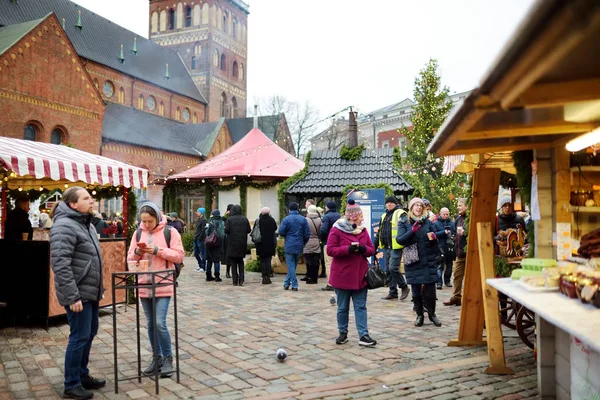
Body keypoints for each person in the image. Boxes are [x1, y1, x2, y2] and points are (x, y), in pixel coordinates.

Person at [50, 187, 105, 399]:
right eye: (86, 198)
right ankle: (71, 384)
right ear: (73, 204)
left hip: (90, 291)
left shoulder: (86, 223)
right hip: (78, 294)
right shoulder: (64, 226)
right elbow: (61, 265)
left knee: (89, 333)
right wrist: (72, 296)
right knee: (79, 336)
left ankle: (82, 375)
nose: (92, 201)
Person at [127, 202, 184, 379]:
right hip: (143, 282)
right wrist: (137, 251)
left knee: (160, 322)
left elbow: (179, 255)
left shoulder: (170, 232)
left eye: (150, 221)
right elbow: (130, 259)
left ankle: (168, 358)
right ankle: (156, 357)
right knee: (150, 323)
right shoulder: (137, 233)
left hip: (163, 282)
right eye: (143, 221)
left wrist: (158, 250)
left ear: (157, 217)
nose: (146, 225)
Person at [328, 199, 377, 346]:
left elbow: (371, 249)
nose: (360, 218)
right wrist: (347, 249)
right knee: (342, 307)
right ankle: (342, 333)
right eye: (358, 215)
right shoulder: (337, 229)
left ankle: (364, 335)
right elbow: (330, 249)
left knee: (361, 306)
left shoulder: (363, 231)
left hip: (360, 276)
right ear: (351, 217)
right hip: (342, 275)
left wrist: (363, 249)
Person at [396, 197, 442, 327]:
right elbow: (400, 240)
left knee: (430, 291)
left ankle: (432, 314)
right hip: (413, 259)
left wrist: (435, 241)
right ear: (411, 208)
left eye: (420, 205)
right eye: (416, 205)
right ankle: (419, 315)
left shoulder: (427, 222)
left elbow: (433, 238)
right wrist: (412, 231)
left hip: (428, 259)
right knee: (416, 291)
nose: (418, 208)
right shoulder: (404, 222)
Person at [375, 196, 410, 301]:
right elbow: (379, 232)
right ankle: (392, 292)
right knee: (388, 271)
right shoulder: (384, 216)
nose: (389, 204)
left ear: (395, 204)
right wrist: (374, 246)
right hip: (386, 247)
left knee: (393, 268)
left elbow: (407, 228)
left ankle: (404, 286)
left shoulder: (401, 213)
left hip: (396, 246)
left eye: (391, 203)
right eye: (387, 203)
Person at [278, 202, 310, 291]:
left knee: (291, 266)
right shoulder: (303, 219)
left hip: (289, 244)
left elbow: (281, 232)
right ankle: (286, 283)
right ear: (298, 209)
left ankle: (294, 284)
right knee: (293, 266)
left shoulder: (286, 219)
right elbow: (307, 234)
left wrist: (287, 236)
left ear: (289, 210)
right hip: (299, 244)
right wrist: (303, 242)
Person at [444, 198, 469, 306]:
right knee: (457, 276)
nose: (458, 207)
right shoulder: (458, 219)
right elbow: (453, 232)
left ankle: (469, 298)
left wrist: (466, 232)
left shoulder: (470, 218)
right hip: (459, 253)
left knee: (469, 278)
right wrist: (453, 238)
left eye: (460, 205)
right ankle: (456, 297)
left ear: (467, 206)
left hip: (470, 254)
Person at [225, 205, 251, 286]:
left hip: (232, 244)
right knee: (240, 261)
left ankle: (235, 280)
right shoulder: (244, 219)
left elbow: (226, 230)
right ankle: (241, 279)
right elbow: (248, 230)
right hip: (242, 243)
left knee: (233, 262)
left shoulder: (230, 219)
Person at [433, 207, 456, 290]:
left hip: (450, 247)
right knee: (439, 266)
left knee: (449, 265)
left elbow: (455, 232)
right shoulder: (436, 223)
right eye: (444, 214)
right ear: (440, 214)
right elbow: (434, 234)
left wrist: (453, 236)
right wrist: (444, 232)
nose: (446, 216)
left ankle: (447, 281)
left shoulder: (452, 223)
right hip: (440, 247)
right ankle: (439, 282)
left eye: (447, 214)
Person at [320, 201, 341, 291]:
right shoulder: (339, 216)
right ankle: (338, 281)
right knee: (337, 263)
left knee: (328, 263)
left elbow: (323, 230)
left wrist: (322, 238)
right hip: (339, 243)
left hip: (328, 243)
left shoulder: (326, 216)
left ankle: (330, 283)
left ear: (328, 207)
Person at [255, 207, 278, 284]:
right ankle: (268, 277)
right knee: (268, 260)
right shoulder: (271, 220)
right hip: (269, 243)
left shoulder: (258, 220)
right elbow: (275, 228)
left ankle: (263, 276)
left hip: (260, 243)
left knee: (262, 261)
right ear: (268, 212)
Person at [303, 204, 323, 284]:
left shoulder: (305, 219)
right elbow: (321, 231)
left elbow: (304, 231)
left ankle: (310, 277)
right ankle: (315, 278)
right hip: (316, 242)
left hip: (307, 242)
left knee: (309, 261)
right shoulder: (319, 219)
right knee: (316, 261)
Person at [205, 209, 225, 282]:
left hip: (210, 243)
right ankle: (217, 277)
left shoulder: (210, 222)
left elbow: (206, 232)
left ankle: (208, 276)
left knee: (209, 260)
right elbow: (223, 234)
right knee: (217, 260)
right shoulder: (222, 222)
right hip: (218, 244)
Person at [193, 208, 207, 274]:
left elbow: (203, 231)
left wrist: (200, 238)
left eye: (198, 212)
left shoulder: (204, 220)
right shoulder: (198, 220)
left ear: (201, 213)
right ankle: (200, 265)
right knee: (196, 253)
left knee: (202, 254)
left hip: (200, 240)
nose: (197, 213)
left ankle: (203, 267)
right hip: (196, 239)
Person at [224, 204, 234, 279]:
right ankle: (228, 271)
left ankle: (230, 272)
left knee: (231, 257)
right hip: (228, 239)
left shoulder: (232, 217)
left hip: (229, 239)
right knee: (229, 257)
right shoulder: (226, 217)